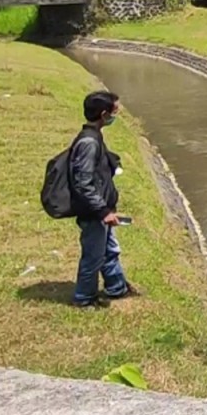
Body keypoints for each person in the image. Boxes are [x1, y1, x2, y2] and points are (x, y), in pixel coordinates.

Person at [70, 90, 133, 307]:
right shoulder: (89, 143)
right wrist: (103, 211)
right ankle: (84, 299)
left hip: (101, 208)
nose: (116, 116)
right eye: (115, 112)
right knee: (93, 257)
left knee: (110, 251)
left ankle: (117, 288)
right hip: (94, 212)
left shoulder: (95, 136)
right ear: (104, 114)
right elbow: (83, 182)